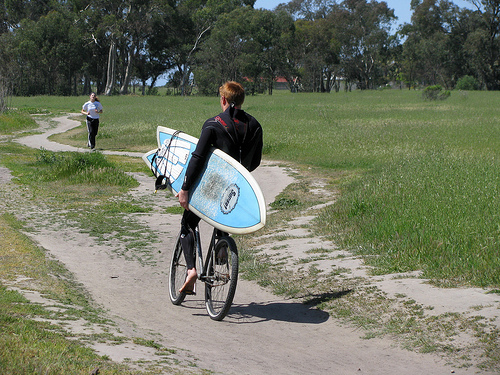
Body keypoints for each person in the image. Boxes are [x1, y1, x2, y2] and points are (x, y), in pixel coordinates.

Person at [176, 81, 263, 294]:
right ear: (241, 101)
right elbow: (255, 162)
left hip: (211, 189)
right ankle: (222, 244)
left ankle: (191, 271)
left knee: (188, 223)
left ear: (223, 99)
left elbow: (197, 158)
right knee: (223, 215)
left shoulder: (213, 123)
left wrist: (185, 188)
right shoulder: (255, 126)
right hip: (236, 191)